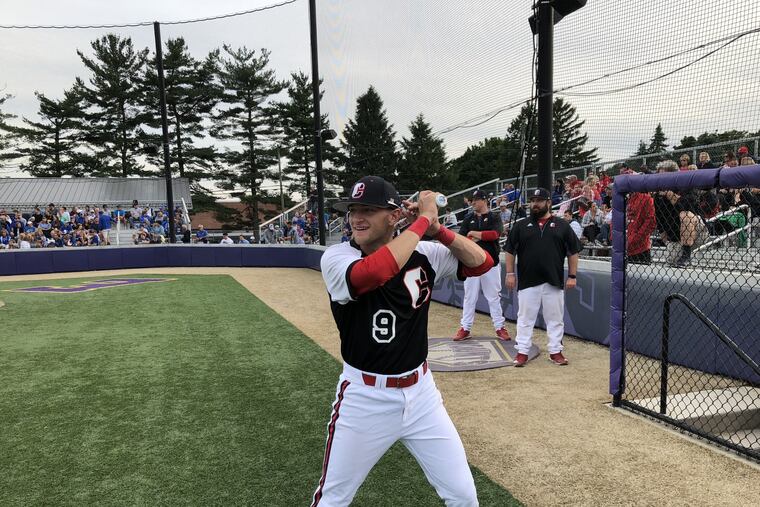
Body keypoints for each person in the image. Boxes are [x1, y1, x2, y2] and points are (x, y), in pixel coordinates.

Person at [314, 176, 491, 506]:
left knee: (464, 495)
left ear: (394, 216)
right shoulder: (336, 257)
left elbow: (482, 263)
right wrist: (424, 220)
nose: (356, 218)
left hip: (422, 394)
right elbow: (373, 273)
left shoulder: (425, 252)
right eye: (353, 209)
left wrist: (438, 230)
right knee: (333, 499)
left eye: (369, 209)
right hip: (365, 396)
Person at [504, 187, 581, 367]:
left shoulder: (562, 225)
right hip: (528, 279)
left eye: (539, 201)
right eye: (532, 201)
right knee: (524, 318)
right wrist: (509, 273)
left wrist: (572, 275)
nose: (535, 204)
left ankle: (555, 351)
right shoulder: (521, 225)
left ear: (548, 202)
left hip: (553, 280)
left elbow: (573, 252)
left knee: (555, 318)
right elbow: (509, 250)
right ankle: (522, 351)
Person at [453, 189, 510, 341]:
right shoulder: (468, 217)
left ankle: (499, 327)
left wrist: (474, 233)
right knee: (469, 297)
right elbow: (462, 238)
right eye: (472, 200)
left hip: (491, 263)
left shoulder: (494, 216)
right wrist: (475, 236)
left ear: (484, 200)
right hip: (471, 264)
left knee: (493, 297)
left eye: (476, 200)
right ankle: (465, 328)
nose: (473, 203)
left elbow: (495, 234)